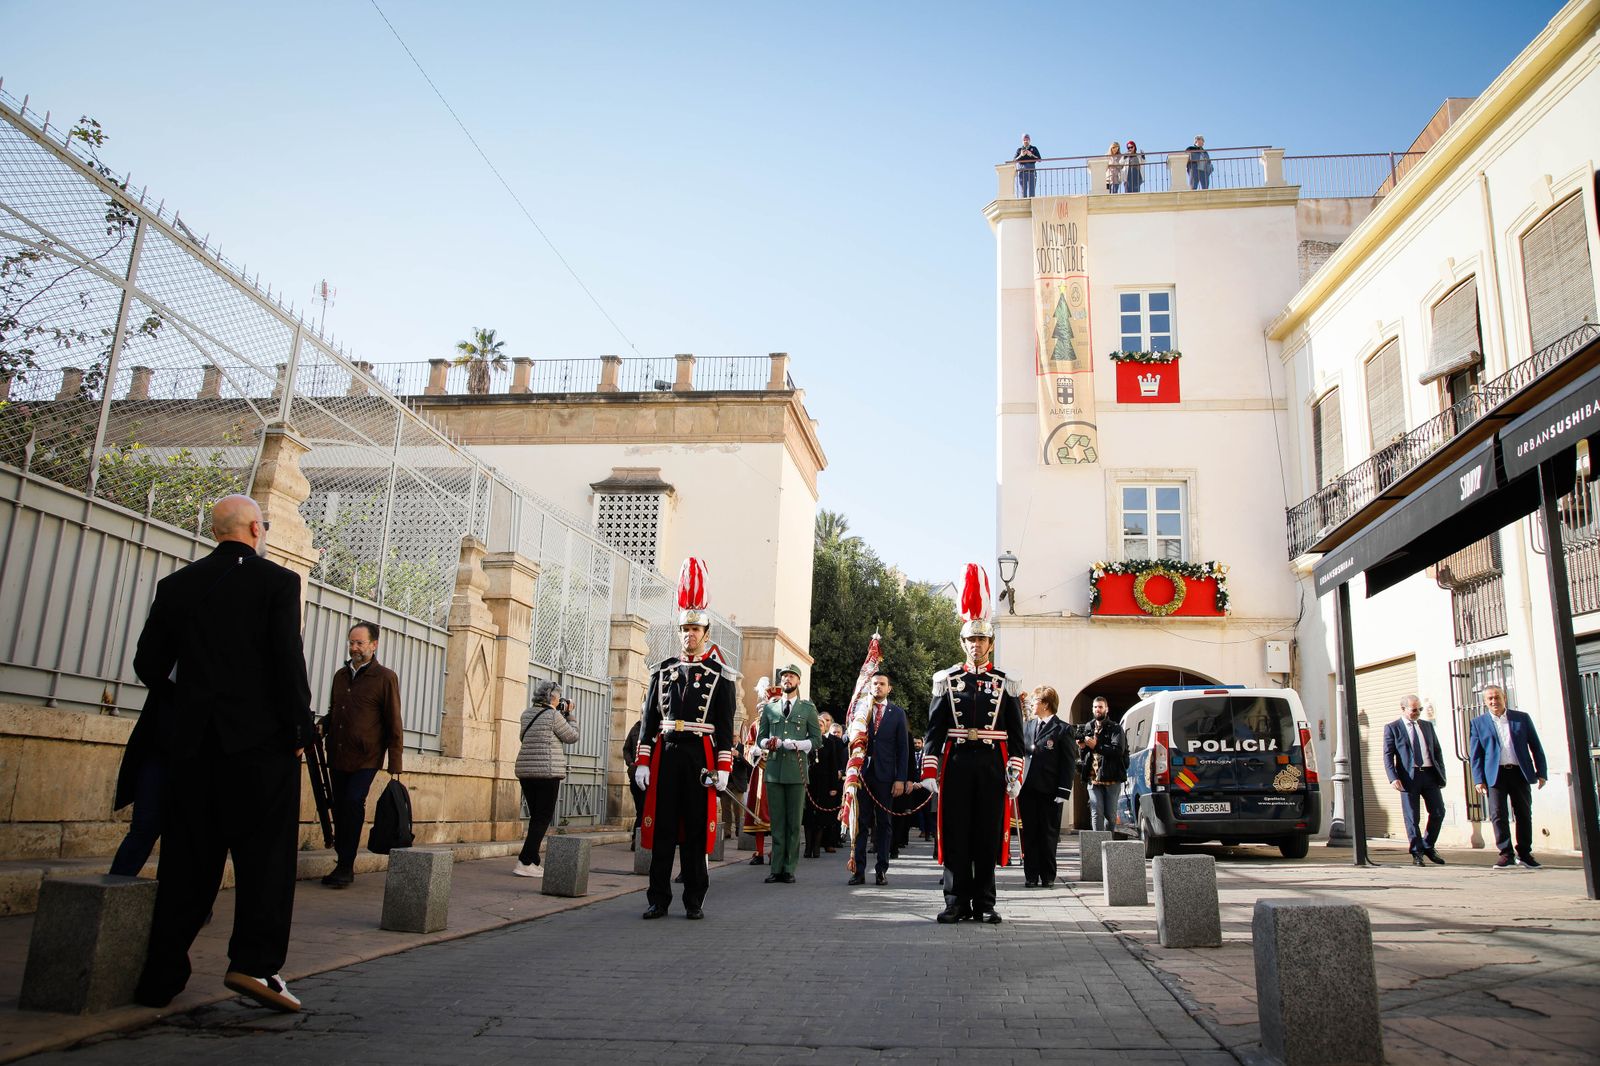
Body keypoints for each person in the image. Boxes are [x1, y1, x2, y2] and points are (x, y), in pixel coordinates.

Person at [131, 494, 314, 1013]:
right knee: (265, 861)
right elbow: (286, 660)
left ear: (216, 531)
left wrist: (193, 698)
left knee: (187, 861)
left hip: (192, 749)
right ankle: (254, 964)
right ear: (256, 528)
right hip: (260, 747)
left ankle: (161, 975)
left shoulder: (177, 586)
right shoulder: (278, 582)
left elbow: (149, 666)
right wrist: (299, 726)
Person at [921, 564, 1025, 924]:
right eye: (970, 640)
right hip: (957, 764)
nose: (976, 646)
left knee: (986, 835)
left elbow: (1018, 738)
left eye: (981, 640)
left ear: (990, 644)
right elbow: (934, 730)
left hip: (992, 764)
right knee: (955, 835)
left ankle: (984, 903)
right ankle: (955, 902)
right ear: (962, 643)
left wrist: (1015, 773)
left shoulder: (1005, 682)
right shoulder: (946, 681)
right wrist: (929, 769)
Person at [634, 558, 736, 918]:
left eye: (695, 630)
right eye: (684, 630)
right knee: (662, 831)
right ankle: (657, 899)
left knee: (695, 832)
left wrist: (723, 767)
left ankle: (693, 900)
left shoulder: (720, 676)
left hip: (700, 757)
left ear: (706, 633)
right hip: (666, 755)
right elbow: (648, 721)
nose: (688, 635)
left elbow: (724, 728)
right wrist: (643, 760)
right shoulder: (662, 672)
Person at [318, 622, 403, 889]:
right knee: (340, 805)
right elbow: (336, 711)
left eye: (360, 643)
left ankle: (346, 866)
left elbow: (393, 721)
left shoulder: (385, 677)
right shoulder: (340, 676)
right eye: (352, 643)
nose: (354, 648)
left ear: (373, 645)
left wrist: (395, 762)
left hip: (366, 756)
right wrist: (322, 726)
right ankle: (342, 859)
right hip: (338, 752)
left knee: (354, 803)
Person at [1469, 685, 1548, 870]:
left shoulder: (1521, 718)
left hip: (1519, 772)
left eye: (1497, 697)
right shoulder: (1478, 723)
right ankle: (1506, 854)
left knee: (1523, 813)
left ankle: (1525, 854)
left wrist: (1541, 772)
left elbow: (1536, 746)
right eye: (1490, 699)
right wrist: (1478, 779)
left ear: (1504, 697)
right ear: (1485, 702)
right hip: (1495, 774)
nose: (1494, 701)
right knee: (1498, 815)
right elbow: (1476, 754)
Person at [755, 664, 822, 883]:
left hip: (796, 771)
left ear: (798, 681)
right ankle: (775, 868)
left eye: (791, 676)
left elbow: (816, 740)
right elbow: (760, 738)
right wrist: (769, 743)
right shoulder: (770, 708)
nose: (787, 679)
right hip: (774, 770)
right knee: (777, 822)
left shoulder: (807, 708)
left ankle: (789, 868)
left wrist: (799, 744)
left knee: (794, 822)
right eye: (784, 676)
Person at [512, 680, 580, 877]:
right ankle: (524, 861)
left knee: (536, 817)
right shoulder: (552, 716)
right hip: (546, 772)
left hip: (526, 772)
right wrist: (570, 715)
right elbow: (572, 736)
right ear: (553, 698)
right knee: (543, 817)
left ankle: (533, 860)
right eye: (558, 697)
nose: (560, 701)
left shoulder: (526, 714)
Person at [850, 671, 911, 886]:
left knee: (884, 824)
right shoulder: (860, 711)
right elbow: (852, 740)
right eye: (874, 683)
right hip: (863, 776)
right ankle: (858, 871)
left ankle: (881, 869)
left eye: (882, 684)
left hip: (886, 777)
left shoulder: (897, 713)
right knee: (861, 824)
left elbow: (903, 749)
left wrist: (901, 779)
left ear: (889, 688)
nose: (878, 687)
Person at [109, 683, 170, 877]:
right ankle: (113, 893)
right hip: (161, 752)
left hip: (192, 758)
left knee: (180, 839)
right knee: (143, 829)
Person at [1382, 694, 1447, 867]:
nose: (1417, 712)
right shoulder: (1393, 728)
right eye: (1413, 710)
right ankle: (1416, 852)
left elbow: (1436, 750)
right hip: (1408, 778)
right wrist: (1393, 777)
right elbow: (1388, 756)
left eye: (1420, 709)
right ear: (1403, 709)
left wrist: (1441, 773)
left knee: (1438, 811)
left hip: (1429, 775)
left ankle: (1428, 845)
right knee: (1412, 817)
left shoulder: (1426, 726)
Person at [1019, 686, 1074, 887]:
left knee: (1048, 834)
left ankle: (1048, 876)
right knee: (1030, 833)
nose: (1033, 705)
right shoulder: (1028, 726)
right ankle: (1031, 875)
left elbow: (1068, 763)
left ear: (1045, 704)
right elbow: (1021, 753)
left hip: (1050, 791)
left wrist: (1063, 790)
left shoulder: (1063, 729)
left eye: (1035, 701)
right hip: (1028, 789)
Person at [1077, 696, 1126, 832]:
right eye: (1095, 707)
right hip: (1093, 778)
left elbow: (1118, 751)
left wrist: (1097, 746)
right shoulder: (1088, 726)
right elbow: (1085, 755)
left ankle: (1107, 843)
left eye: (1100, 707)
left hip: (1112, 778)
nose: (1097, 709)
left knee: (1110, 815)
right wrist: (1081, 747)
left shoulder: (1116, 728)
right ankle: (1097, 846)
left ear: (1106, 709)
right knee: (1096, 812)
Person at [804, 711, 844, 858]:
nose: (819, 726)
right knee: (808, 816)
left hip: (825, 784)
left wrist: (834, 786)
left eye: (821, 724)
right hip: (809, 782)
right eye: (816, 724)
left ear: (824, 727)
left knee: (821, 817)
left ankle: (816, 848)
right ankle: (808, 848)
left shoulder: (829, 743)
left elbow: (833, 765)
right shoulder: (806, 741)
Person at [624, 717, 646, 844]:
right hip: (635, 773)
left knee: (644, 808)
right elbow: (626, 748)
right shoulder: (635, 729)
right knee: (640, 808)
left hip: (650, 776)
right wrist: (630, 763)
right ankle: (637, 839)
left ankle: (638, 839)